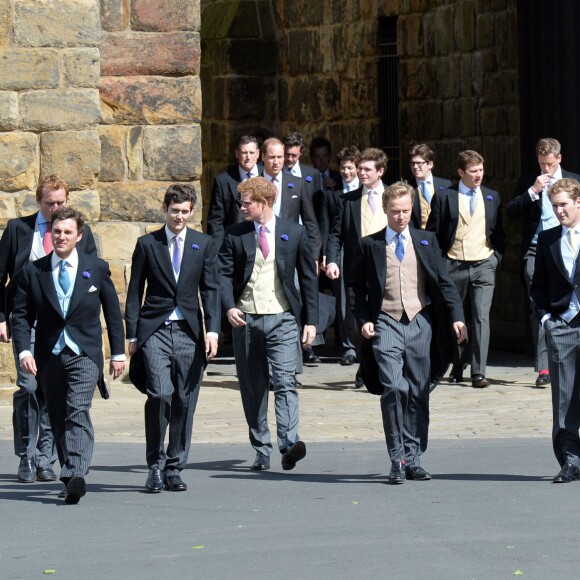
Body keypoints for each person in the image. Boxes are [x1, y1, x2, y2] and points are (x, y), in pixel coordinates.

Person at [348, 182, 466, 483]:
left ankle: (413, 458)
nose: (401, 217)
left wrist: (456, 317)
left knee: (418, 390)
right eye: (395, 212)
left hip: (420, 321)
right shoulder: (369, 245)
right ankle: (397, 457)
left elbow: (444, 282)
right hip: (385, 320)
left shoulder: (426, 241)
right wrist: (362, 319)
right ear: (386, 211)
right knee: (394, 387)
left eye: (406, 211)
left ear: (411, 210)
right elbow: (355, 288)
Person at [11, 207, 125, 504]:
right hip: (49, 354)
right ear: (50, 233)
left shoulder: (96, 267)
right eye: (57, 231)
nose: (61, 236)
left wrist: (118, 353)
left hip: (84, 352)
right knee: (59, 416)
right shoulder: (34, 271)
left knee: (77, 408)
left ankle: (76, 471)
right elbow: (21, 316)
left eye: (68, 232)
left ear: (79, 236)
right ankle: (69, 475)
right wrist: (24, 350)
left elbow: (112, 313)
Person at [0, 174, 97, 483]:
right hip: (26, 318)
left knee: (53, 390)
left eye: (61, 202)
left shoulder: (81, 232)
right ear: (38, 201)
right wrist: (1, 317)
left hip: (62, 324)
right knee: (29, 387)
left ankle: (46, 457)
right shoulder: (18, 230)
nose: (56, 208)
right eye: (49, 202)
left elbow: (92, 275)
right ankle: (26, 456)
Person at [218, 177, 318, 471]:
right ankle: (261, 448)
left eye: (246, 202)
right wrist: (228, 307)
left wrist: (311, 321)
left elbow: (308, 280)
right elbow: (222, 275)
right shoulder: (235, 234)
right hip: (246, 319)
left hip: (283, 317)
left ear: (263, 203)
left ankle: (289, 444)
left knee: (285, 380)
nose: (242, 207)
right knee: (253, 387)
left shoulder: (294, 232)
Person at [125, 184, 220, 493]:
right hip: (154, 330)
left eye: (184, 212)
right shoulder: (148, 244)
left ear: (191, 212)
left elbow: (210, 290)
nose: (179, 216)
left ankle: (174, 467)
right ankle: (154, 463)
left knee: (184, 399)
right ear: (164, 208)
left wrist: (213, 331)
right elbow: (134, 292)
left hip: (189, 332)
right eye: (174, 210)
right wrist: (132, 334)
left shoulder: (202, 244)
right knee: (160, 394)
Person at [427, 150, 505, 388]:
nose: (478, 174)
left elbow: (499, 232)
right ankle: (457, 363)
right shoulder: (444, 196)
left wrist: (496, 258)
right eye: (473, 171)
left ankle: (479, 371)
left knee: (481, 317)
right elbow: (433, 234)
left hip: (483, 264)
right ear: (461, 172)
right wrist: (439, 265)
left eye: (480, 169)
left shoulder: (492, 196)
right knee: (454, 318)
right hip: (454, 264)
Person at [507, 138, 580, 387]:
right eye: (541, 164)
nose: (545, 169)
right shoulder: (530, 181)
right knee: (539, 302)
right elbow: (511, 211)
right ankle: (545, 368)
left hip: (568, 247)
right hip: (537, 249)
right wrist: (533, 192)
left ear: (559, 159)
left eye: (549, 164)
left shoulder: (574, 180)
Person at [530, 178, 580, 483]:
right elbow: (538, 287)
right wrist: (548, 318)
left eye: (564, 204)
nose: (559, 210)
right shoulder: (547, 240)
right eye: (555, 205)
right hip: (562, 325)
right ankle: (571, 460)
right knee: (563, 397)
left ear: (578, 203)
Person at [326, 147, 389, 386]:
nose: (361, 173)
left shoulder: (393, 196)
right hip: (357, 270)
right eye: (359, 168)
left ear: (380, 171)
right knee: (360, 320)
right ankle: (365, 363)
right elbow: (335, 235)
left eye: (366, 169)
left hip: (387, 269)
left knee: (383, 318)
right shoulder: (348, 200)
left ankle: (376, 366)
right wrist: (332, 259)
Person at [206, 135, 261, 252]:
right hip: (234, 244)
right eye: (244, 152)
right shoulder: (223, 180)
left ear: (258, 154)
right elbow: (216, 220)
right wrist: (216, 251)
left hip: (263, 241)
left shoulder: (267, 175)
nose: (248, 157)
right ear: (237, 153)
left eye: (251, 152)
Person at [407, 143, 452, 230]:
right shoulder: (407, 187)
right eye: (412, 163)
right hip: (418, 236)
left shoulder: (445, 185)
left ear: (430, 164)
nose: (415, 167)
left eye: (419, 163)